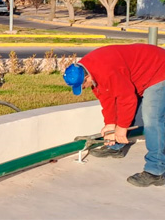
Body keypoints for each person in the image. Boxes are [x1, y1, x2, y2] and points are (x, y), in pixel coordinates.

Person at [63, 44, 165, 187]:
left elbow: (128, 99)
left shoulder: (106, 71)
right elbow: (107, 98)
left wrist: (121, 128)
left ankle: (156, 171)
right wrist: (110, 124)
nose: (84, 87)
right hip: (141, 73)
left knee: (152, 119)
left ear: (87, 76)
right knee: (124, 113)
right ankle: (116, 146)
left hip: (158, 69)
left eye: (83, 84)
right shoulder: (89, 70)